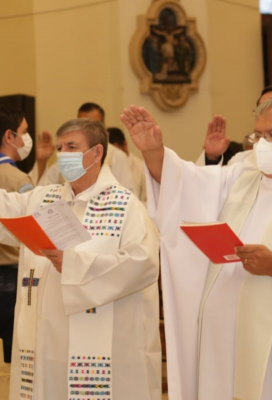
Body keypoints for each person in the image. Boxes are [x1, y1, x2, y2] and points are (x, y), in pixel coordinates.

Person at [121, 95, 272, 400]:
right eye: (258, 135)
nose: (263, 144)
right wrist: (154, 151)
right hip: (224, 343)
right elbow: (182, 188)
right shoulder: (240, 180)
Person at [0, 118, 160, 399]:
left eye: (72, 147)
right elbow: (6, 209)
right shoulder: (43, 199)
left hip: (104, 346)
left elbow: (144, 262)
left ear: (97, 152)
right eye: (61, 148)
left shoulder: (126, 205)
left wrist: (74, 265)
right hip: (48, 342)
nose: (63, 155)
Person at [34, 103, 135, 192]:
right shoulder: (68, 156)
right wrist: (42, 162)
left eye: (92, 125)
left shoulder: (117, 156)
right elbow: (45, 192)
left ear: (103, 127)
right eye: (81, 124)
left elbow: (127, 193)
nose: (86, 130)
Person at [0, 108, 34, 363]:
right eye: (24, 131)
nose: (27, 137)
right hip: (10, 272)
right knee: (15, 349)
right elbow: (32, 224)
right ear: (9, 136)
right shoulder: (16, 177)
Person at [108, 127, 147, 204]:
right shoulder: (106, 163)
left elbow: (149, 200)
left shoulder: (141, 167)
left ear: (125, 144)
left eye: (116, 150)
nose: (114, 155)